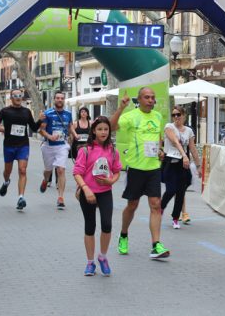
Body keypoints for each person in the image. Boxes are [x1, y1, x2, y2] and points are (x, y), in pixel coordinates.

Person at [109, 87, 170, 259]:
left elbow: (158, 139)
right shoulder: (131, 116)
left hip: (153, 168)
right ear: (139, 100)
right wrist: (121, 108)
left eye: (152, 97)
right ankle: (123, 234)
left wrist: (160, 151)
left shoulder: (158, 116)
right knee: (132, 205)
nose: (151, 100)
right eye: (147, 97)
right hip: (136, 168)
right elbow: (112, 127)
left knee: (156, 204)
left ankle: (156, 245)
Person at [73, 116, 122, 276]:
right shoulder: (85, 150)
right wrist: (86, 189)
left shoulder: (113, 151)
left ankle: (103, 256)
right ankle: (90, 262)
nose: (103, 132)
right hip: (88, 193)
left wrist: (111, 181)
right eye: (100, 129)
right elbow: (77, 173)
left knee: (107, 225)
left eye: (106, 129)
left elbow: (116, 171)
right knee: (90, 226)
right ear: (93, 131)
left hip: (105, 193)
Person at [0, 89, 43, 210]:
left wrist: (40, 120)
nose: (18, 97)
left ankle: (21, 197)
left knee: (22, 170)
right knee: (7, 171)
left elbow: (34, 128)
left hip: (23, 145)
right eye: (15, 96)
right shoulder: (5, 111)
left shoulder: (26, 112)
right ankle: (6, 182)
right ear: (11, 98)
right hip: (9, 145)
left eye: (20, 95)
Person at [160, 106, 200, 229]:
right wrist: (184, 155)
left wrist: (199, 166)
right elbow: (174, 142)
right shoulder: (169, 127)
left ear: (184, 115)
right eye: (174, 115)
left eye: (178, 114)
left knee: (181, 192)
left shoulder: (189, 131)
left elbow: (192, 148)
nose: (176, 117)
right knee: (171, 190)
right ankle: (160, 208)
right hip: (170, 163)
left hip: (183, 164)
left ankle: (176, 218)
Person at [39, 91, 74, 209]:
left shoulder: (68, 114)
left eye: (62, 98)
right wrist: (49, 137)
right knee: (48, 170)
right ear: (54, 100)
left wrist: (73, 135)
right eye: (58, 98)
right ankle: (45, 180)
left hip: (62, 145)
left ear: (64, 100)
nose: (60, 100)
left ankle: (60, 197)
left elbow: (70, 127)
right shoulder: (47, 114)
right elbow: (41, 130)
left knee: (61, 170)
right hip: (48, 145)